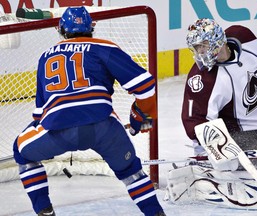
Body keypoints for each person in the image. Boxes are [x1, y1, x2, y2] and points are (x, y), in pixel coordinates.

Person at [13, 6, 165, 216]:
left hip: (59, 130)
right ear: (91, 27)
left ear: (61, 30)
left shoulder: (45, 56)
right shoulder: (104, 47)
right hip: (103, 127)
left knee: (21, 151)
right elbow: (146, 86)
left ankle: (44, 211)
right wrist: (142, 117)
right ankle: (156, 213)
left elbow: (40, 114)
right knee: (131, 171)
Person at [181, 18, 257, 170]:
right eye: (196, 48)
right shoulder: (204, 80)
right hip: (241, 137)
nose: (200, 52)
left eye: (203, 45)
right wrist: (213, 153)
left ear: (218, 40)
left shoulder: (245, 39)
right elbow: (195, 120)